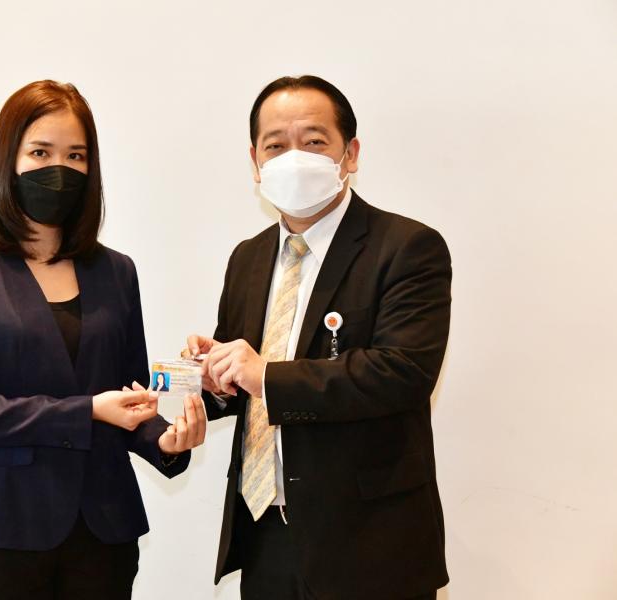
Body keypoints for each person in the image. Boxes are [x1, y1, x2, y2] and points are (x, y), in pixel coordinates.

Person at [0, 80, 206, 600]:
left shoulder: (117, 271)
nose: (59, 168)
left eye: (75, 155)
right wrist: (87, 411)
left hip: (104, 531)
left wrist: (165, 441)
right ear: (7, 160)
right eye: (40, 152)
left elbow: (130, 397)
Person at [185, 75, 451, 599]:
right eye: (275, 145)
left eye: (313, 141)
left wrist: (266, 375)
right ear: (255, 162)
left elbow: (402, 372)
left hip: (369, 543)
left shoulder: (407, 247)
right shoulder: (247, 258)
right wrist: (214, 377)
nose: (294, 158)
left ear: (350, 153)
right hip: (265, 532)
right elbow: (245, 382)